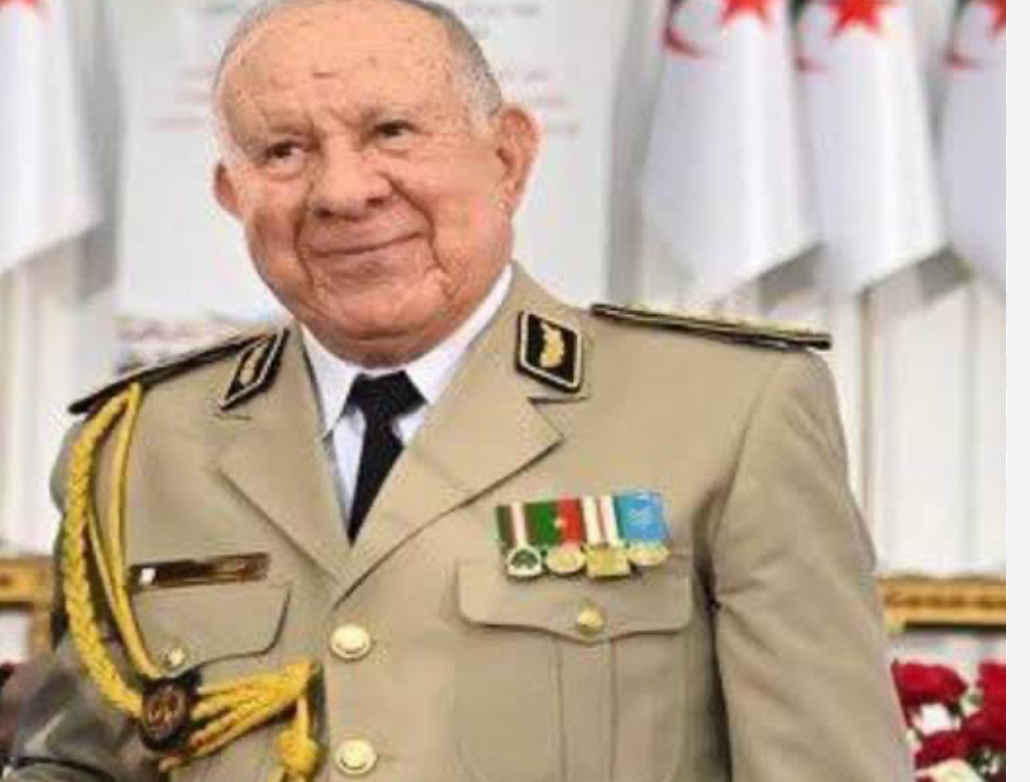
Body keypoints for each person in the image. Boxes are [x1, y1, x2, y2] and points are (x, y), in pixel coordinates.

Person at [8, 0, 913, 780]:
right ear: (231, 193)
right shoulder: (138, 450)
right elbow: (79, 763)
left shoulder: (727, 413)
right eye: (284, 151)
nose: (345, 191)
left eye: (391, 132)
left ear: (508, 157)